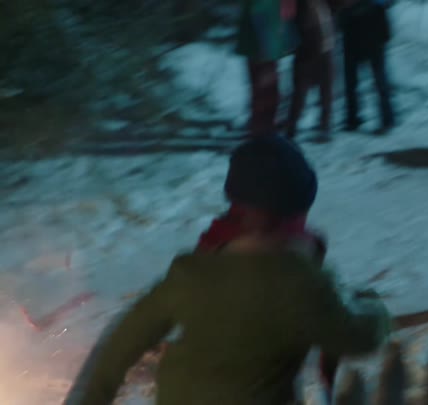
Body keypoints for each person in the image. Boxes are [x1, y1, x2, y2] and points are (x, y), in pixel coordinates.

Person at [64, 136, 392, 405]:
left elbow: (122, 341)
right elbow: (360, 336)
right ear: (296, 214)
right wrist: (370, 303)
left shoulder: (193, 272)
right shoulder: (302, 281)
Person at [236, 0, 300, 136]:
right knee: (267, 94)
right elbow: (260, 14)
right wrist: (267, 54)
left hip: (262, 48)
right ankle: (262, 132)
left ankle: (262, 130)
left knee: (264, 93)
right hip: (262, 50)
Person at [338, 0, 396, 134]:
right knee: (354, 81)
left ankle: (386, 118)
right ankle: (354, 118)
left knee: (377, 79)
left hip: (370, 30)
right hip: (357, 32)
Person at [286, 0, 337, 141]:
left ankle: (325, 125)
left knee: (326, 90)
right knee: (300, 92)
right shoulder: (300, 5)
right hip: (308, 50)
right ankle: (291, 128)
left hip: (325, 47)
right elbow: (296, 22)